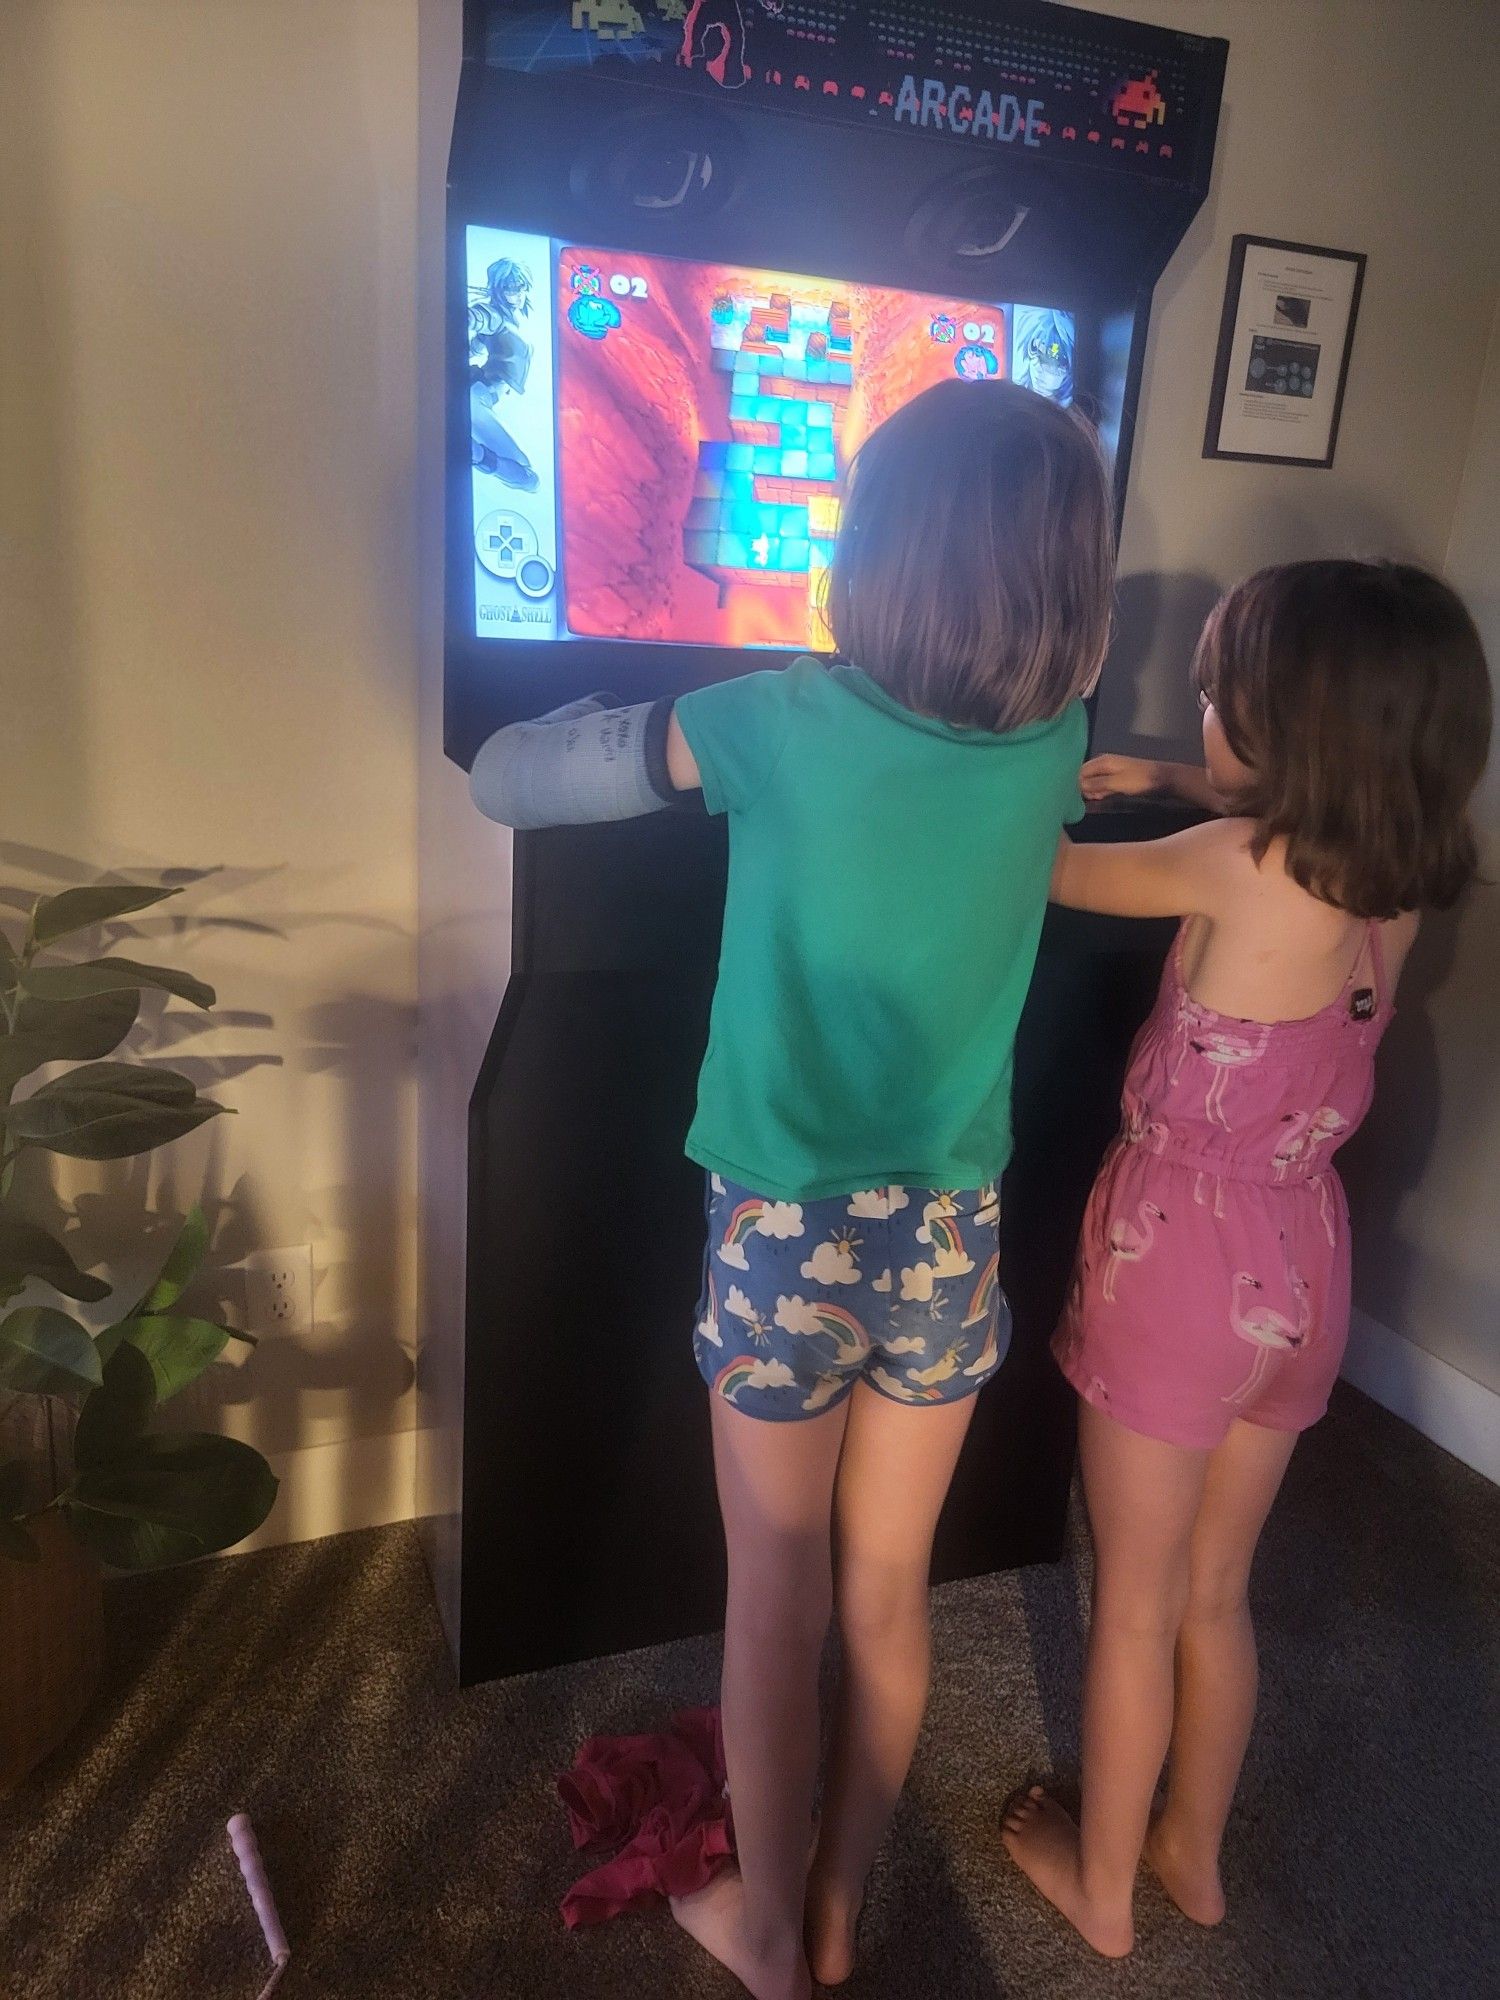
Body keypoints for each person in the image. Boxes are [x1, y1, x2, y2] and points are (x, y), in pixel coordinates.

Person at [468, 379, 1116, 1998]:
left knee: (775, 1599)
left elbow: (515, 782)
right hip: (948, 1246)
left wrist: (542, 727)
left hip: (785, 1241)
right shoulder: (1057, 742)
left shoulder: (771, 718)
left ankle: (762, 1935)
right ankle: (835, 1899)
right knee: (888, 1598)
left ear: (871, 557)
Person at [1002, 559, 1492, 1957]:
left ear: (1286, 732)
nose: (1203, 709)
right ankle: (1192, 1861)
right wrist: (1172, 762)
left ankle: (1098, 1893)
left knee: (1136, 1606)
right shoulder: (1397, 879)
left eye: (1220, 696)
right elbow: (1268, 810)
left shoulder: (1225, 863)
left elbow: (1042, 869)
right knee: (1219, 1595)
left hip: (1175, 1266)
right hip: (1303, 1257)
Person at [469, 256, 539, 492]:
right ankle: (475, 454)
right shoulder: (495, 316)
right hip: (479, 395)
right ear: (499, 290)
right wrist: (468, 316)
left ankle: (476, 454)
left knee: (527, 478)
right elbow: (480, 318)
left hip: (486, 397)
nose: (518, 294)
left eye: (521, 288)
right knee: (528, 479)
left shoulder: (514, 320)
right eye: (511, 288)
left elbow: (474, 347)